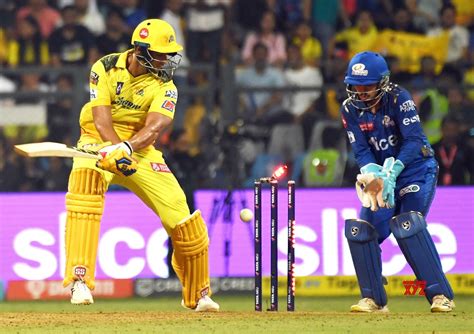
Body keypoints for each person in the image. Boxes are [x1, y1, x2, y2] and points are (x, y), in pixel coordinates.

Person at [63, 18, 219, 312]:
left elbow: (154, 128)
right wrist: (112, 149)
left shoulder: (166, 85)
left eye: (168, 54)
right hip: (97, 140)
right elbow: (101, 119)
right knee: (85, 191)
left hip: (141, 149)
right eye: (160, 54)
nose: (165, 60)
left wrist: (127, 149)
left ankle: (199, 293)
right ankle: (79, 280)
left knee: (181, 214)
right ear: (140, 50)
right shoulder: (105, 67)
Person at [340, 51, 455, 313]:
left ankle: (440, 296)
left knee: (408, 224)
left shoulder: (398, 98)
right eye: (356, 86)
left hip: (416, 169)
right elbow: (360, 149)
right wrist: (373, 173)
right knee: (362, 230)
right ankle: (373, 299)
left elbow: (414, 140)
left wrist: (395, 171)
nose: (361, 92)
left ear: (382, 82)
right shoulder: (349, 108)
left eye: (367, 86)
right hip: (381, 174)